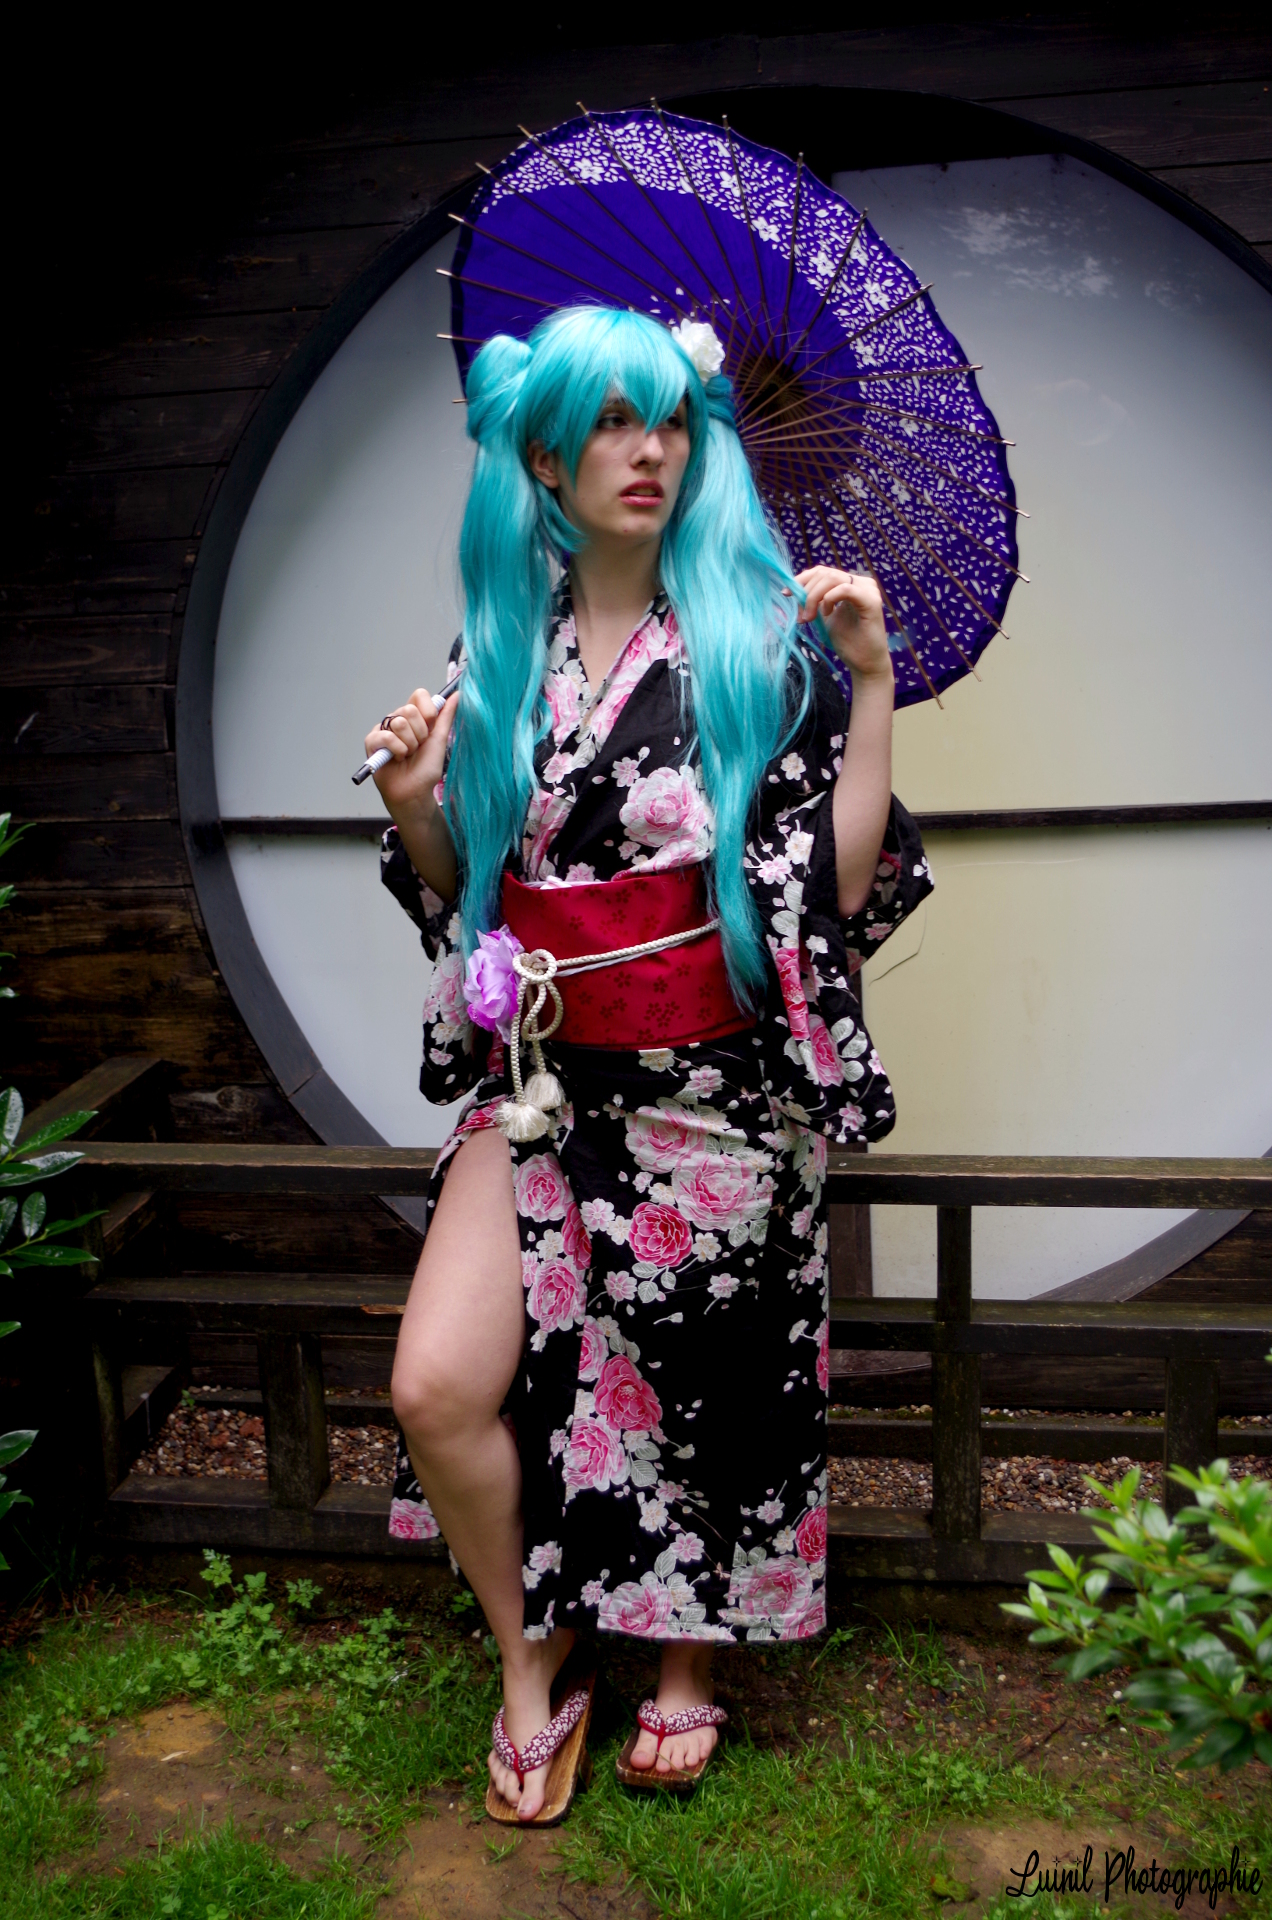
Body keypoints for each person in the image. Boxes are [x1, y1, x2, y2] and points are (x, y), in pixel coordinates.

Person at [368, 303, 931, 1823]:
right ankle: (531, 1655)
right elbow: (464, 891)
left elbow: (832, 887)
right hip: (545, 1086)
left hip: (715, 1084)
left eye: (669, 419)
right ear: (545, 459)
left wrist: (872, 683)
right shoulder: (498, 654)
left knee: (703, 1388)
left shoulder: (757, 644)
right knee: (436, 1382)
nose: (648, 451)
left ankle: (686, 1663)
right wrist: (420, 801)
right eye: (611, 423)